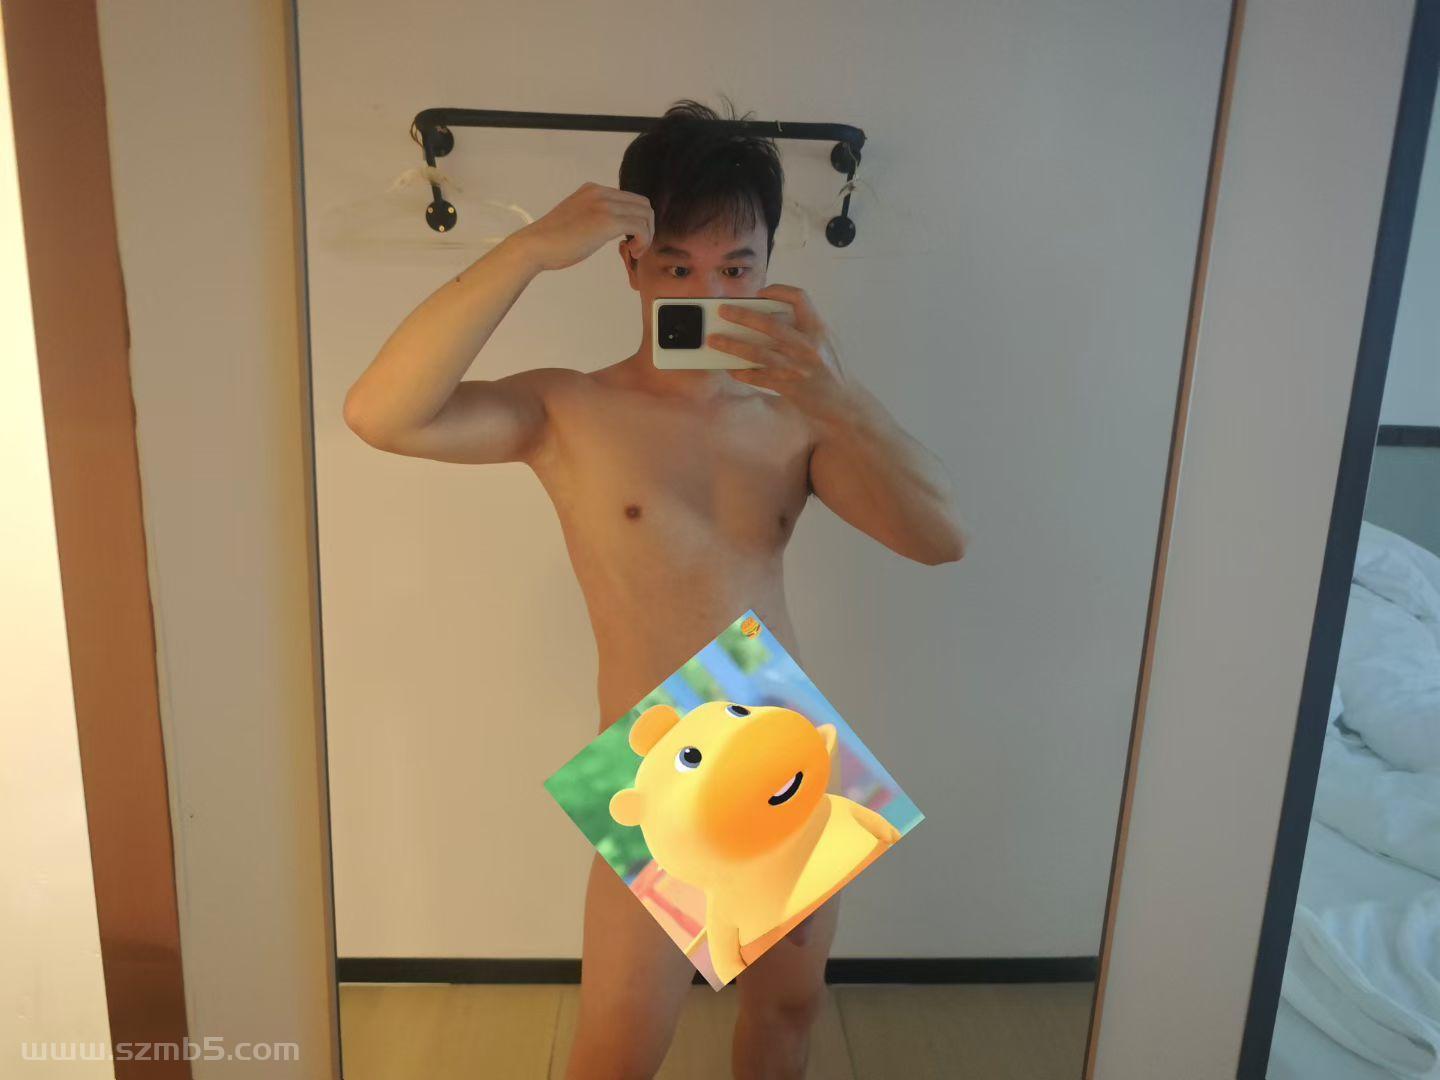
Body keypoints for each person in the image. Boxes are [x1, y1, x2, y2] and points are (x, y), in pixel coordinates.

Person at [343, 97, 967, 1080]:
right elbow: (381, 415)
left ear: (770, 267)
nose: (709, 293)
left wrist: (839, 397)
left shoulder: (797, 422)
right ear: (630, 262)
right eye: (678, 267)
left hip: (783, 734)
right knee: (617, 1052)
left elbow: (940, 540)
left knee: (790, 1010)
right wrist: (528, 251)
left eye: (737, 269)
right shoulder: (570, 407)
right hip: (656, 758)